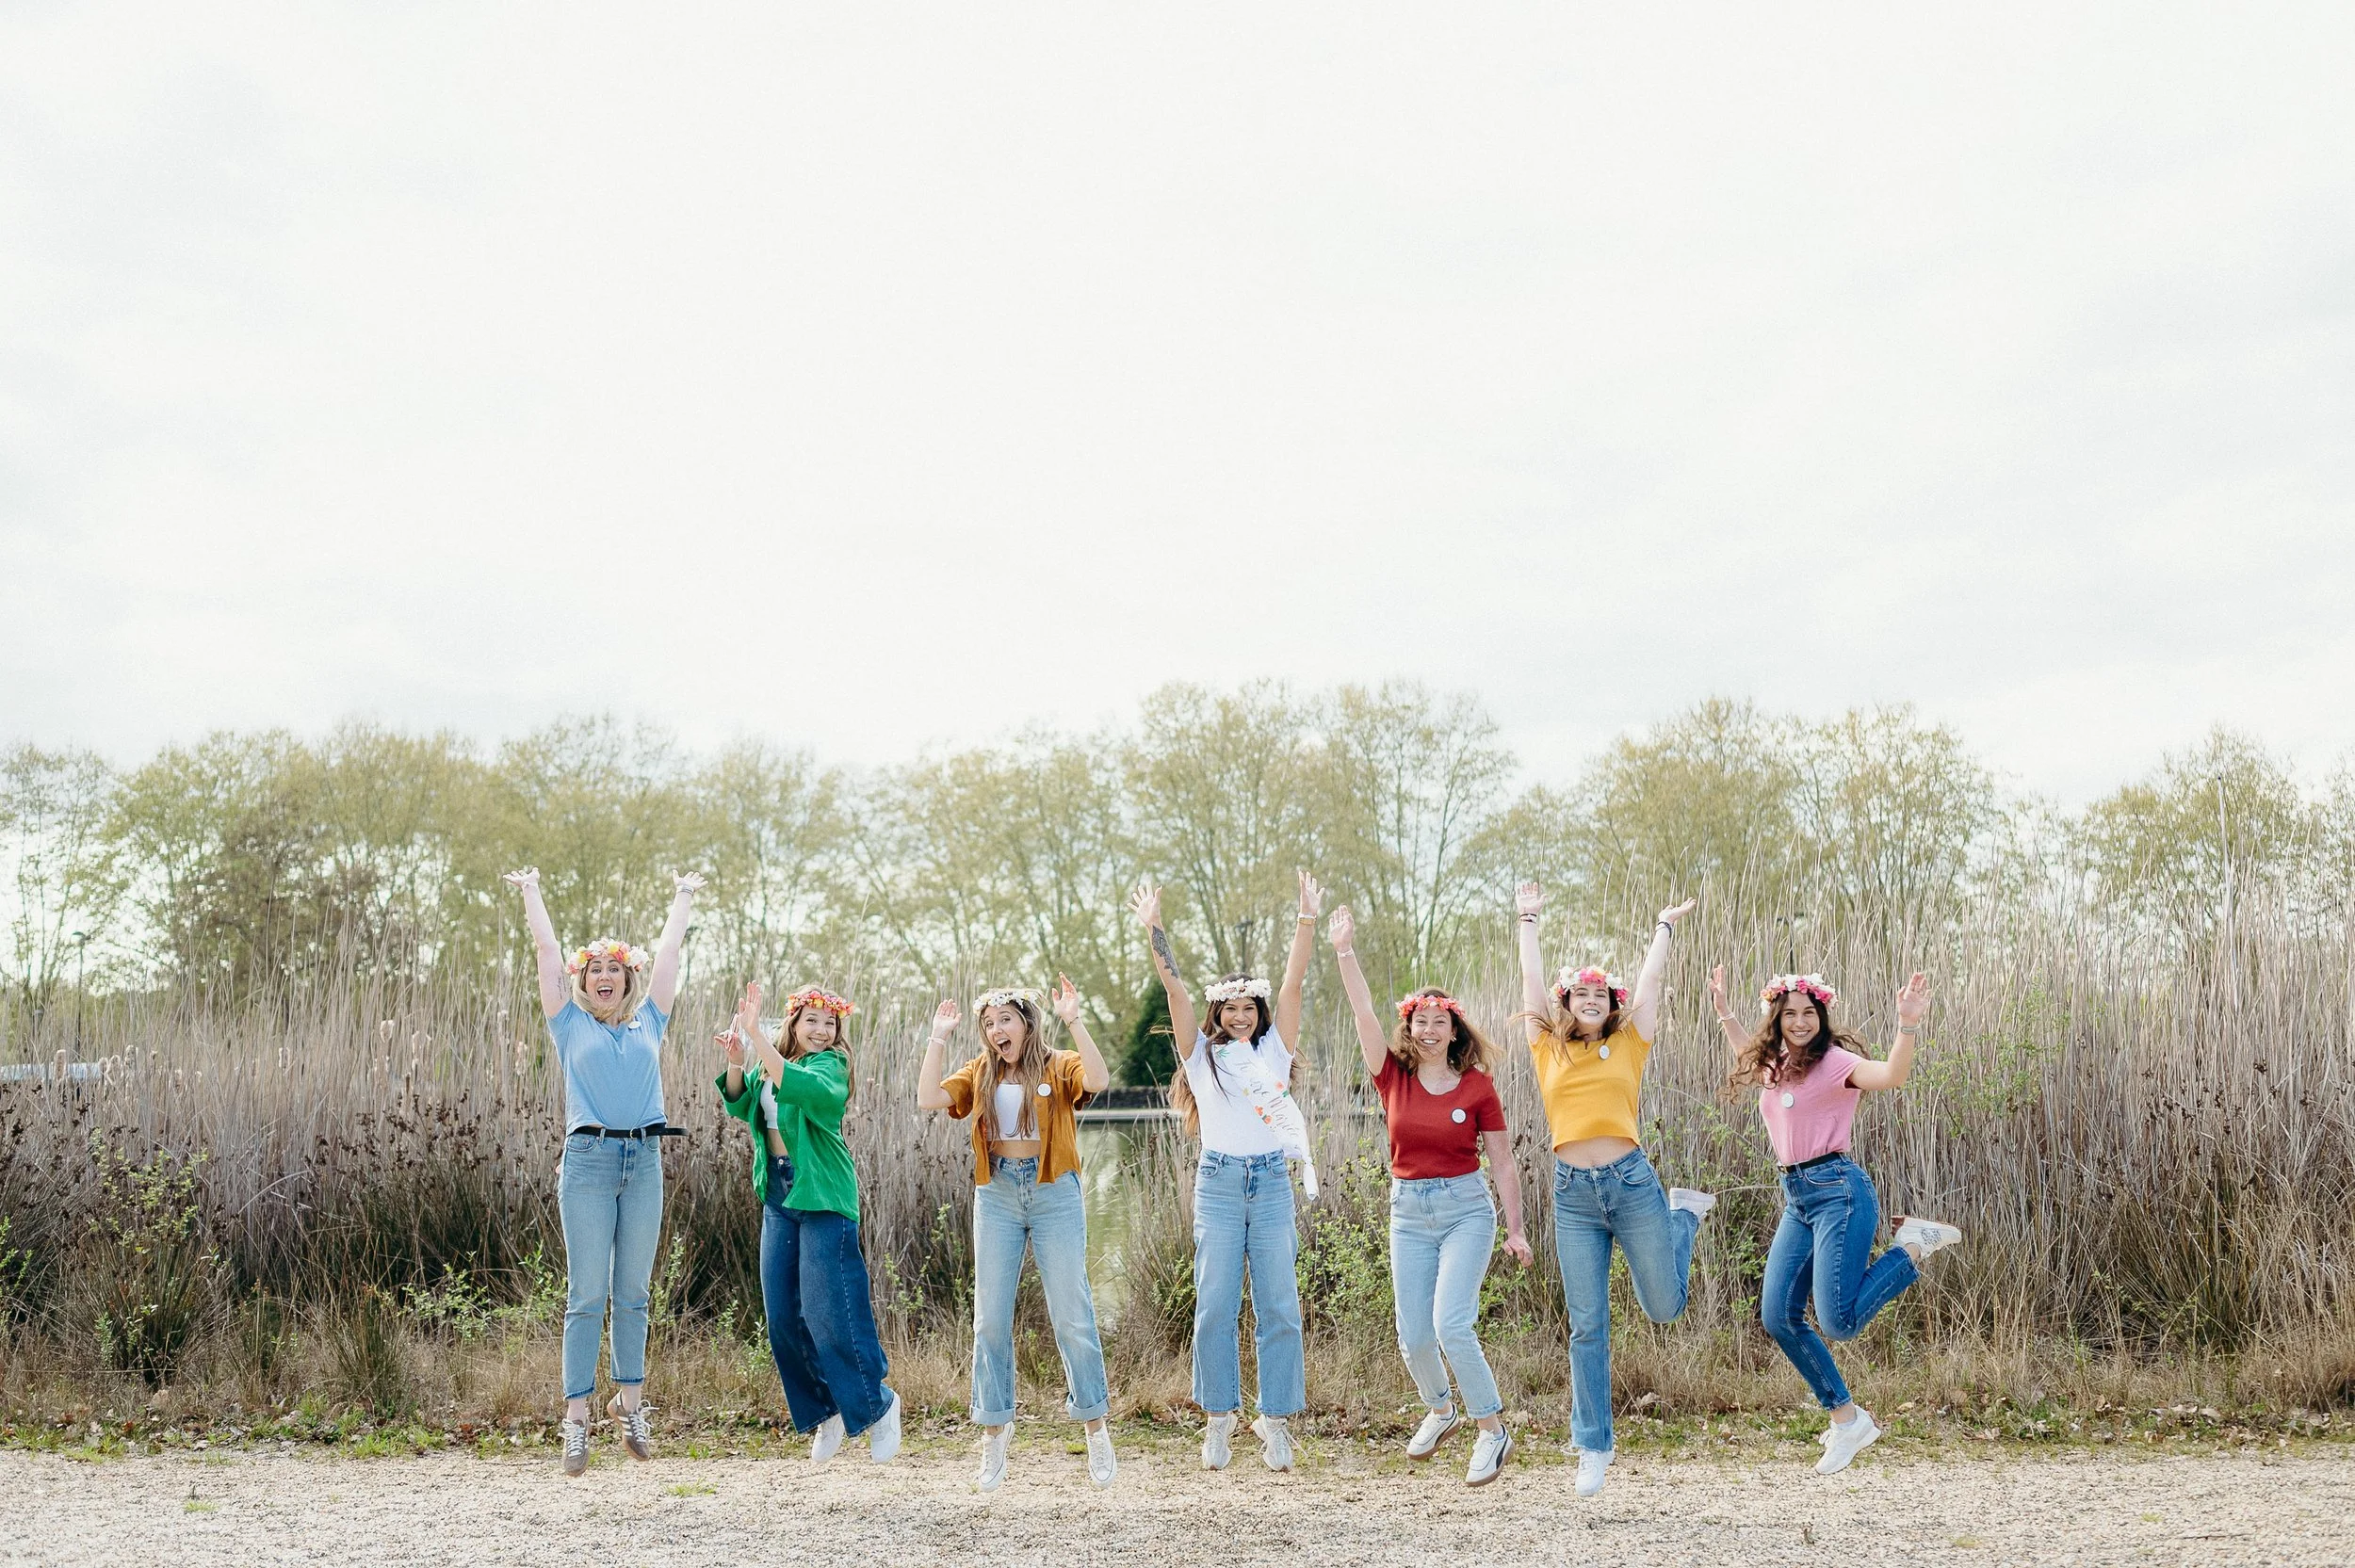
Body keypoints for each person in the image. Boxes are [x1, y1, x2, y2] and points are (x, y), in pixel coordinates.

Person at [1708, 966, 1962, 1475]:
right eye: (1789, 1014)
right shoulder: (1776, 1065)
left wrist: (1907, 1024)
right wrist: (1725, 1014)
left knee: (1838, 1322)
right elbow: (1746, 1050)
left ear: (1821, 1017)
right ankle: (1847, 1421)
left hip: (1839, 1193)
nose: (1800, 1022)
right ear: (1777, 1020)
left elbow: (1891, 1076)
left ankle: (1911, 1246)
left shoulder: (1836, 1063)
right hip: (1797, 1198)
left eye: (1808, 1013)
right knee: (1778, 1317)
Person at [1514, 881, 1713, 1498]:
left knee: (1662, 1307)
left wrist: (1663, 925)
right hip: (1572, 1194)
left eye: (1602, 993)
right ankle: (1593, 1444)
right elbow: (1529, 980)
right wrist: (1528, 919)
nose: (1592, 998)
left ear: (1612, 1003)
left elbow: (1651, 984)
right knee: (1587, 1324)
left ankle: (1682, 1217)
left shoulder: (1629, 1042)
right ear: (1567, 1002)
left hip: (1631, 1185)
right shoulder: (1547, 1047)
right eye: (1582, 992)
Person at [504, 865, 700, 1476]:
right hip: (587, 1163)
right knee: (587, 1294)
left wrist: (683, 894)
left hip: (644, 1161)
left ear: (628, 977)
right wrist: (533, 889)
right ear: (584, 980)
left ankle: (631, 1404)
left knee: (634, 1292)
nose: (606, 976)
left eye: (615, 968)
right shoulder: (568, 1023)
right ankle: (577, 1418)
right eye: (596, 970)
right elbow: (544, 949)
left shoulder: (651, 1021)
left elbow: (671, 951)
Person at [1328, 905, 1531, 1486]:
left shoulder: (1478, 1087)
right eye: (1420, 1019)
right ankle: (1441, 1411)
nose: (1429, 1028)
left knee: (1452, 1325)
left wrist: (1515, 1229)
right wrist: (1345, 948)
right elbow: (1363, 1010)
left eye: (1440, 1020)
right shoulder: (1390, 1076)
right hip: (1408, 1210)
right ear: (1410, 1028)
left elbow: (1503, 1162)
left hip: (1466, 1209)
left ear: (1454, 1029)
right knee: (1412, 1333)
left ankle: (1491, 1432)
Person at [1130, 871, 1322, 1472]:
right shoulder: (1203, 1053)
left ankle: (1276, 1418)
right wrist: (1155, 929)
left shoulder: (1273, 1051)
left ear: (1259, 1012)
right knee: (1215, 1303)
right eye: (1230, 1009)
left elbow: (1294, 982)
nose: (1240, 1017)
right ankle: (1219, 1417)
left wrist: (1306, 918)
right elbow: (1175, 993)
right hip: (1216, 1180)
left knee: (1279, 1304)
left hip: (1269, 1181)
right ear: (1218, 1013)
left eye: (1248, 1009)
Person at [917, 978, 1117, 1491]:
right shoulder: (981, 1072)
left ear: (1027, 1023)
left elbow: (1098, 1078)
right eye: (988, 1023)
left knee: (1072, 1315)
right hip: (998, 1194)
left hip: (1054, 1193)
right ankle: (994, 1434)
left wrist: (1075, 1018)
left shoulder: (1058, 1064)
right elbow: (927, 1098)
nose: (995, 1029)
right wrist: (939, 1036)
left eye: (1004, 1019)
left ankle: (1095, 1427)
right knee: (989, 1320)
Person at [714, 982, 901, 1467]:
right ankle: (825, 1410)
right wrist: (738, 1059)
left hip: (821, 1194)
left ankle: (877, 1406)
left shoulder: (831, 1066)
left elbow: (800, 1087)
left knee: (829, 1311)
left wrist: (757, 1036)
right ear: (793, 1024)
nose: (821, 1031)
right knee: (781, 1317)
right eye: (811, 1021)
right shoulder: (767, 1062)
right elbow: (740, 1104)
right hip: (779, 1195)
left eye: (830, 1023)